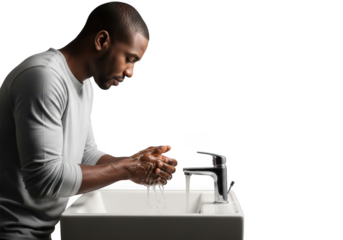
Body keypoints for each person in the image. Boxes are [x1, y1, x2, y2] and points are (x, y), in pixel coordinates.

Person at [0, 1, 178, 239]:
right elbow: (43, 179)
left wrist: (134, 162)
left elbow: (85, 156)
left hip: (44, 230)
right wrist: (128, 169)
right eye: (129, 58)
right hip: (12, 231)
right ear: (102, 40)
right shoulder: (43, 78)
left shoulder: (84, 85)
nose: (130, 72)